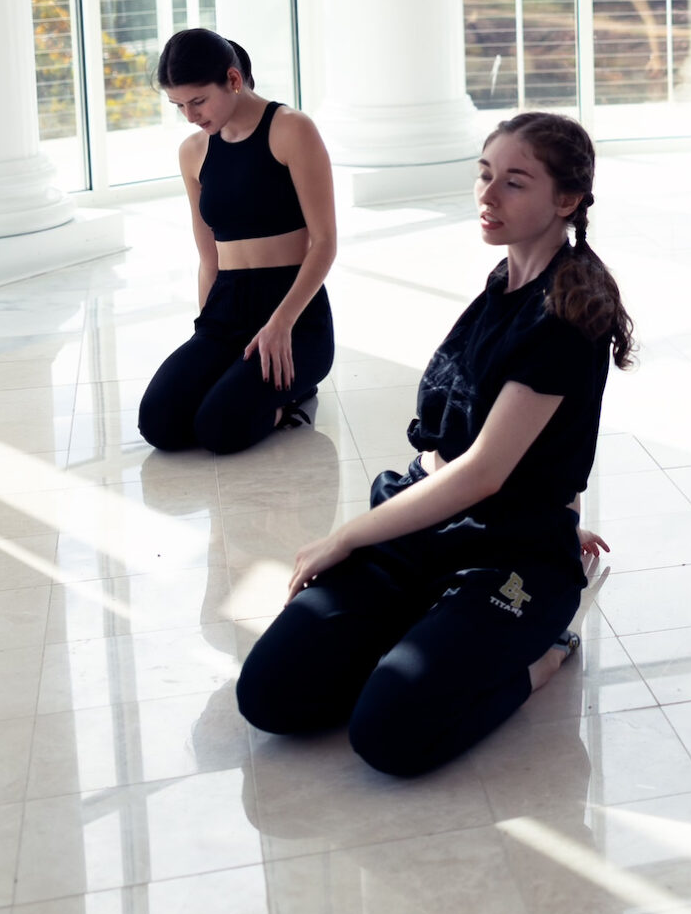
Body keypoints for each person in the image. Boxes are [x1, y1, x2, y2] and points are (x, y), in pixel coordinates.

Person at [237, 112, 625, 778]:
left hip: (510, 557)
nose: (488, 194)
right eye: (484, 174)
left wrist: (346, 536)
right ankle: (425, 631)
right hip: (429, 525)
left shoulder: (566, 316)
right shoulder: (504, 280)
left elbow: (483, 473)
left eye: (514, 182)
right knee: (269, 696)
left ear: (566, 200)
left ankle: (545, 652)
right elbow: (518, 437)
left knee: (388, 735)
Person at [139, 29, 337, 455]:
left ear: (232, 79)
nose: (190, 116)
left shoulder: (291, 129)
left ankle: (292, 401)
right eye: (178, 106)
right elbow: (208, 257)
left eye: (198, 101)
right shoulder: (193, 151)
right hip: (225, 311)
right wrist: (205, 332)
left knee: (219, 429)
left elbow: (324, 243)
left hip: (293, 316)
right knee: (159, 423)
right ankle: (242, 385)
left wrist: (280, 324)